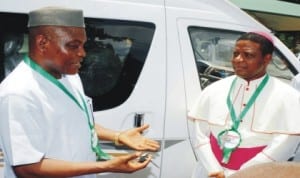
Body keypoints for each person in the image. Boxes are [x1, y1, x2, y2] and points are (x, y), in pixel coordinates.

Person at [0, 6, 159, 178]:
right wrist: (105, 166)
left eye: (83, 45)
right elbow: (28, 169)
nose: (82, 53)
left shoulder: (69, 75)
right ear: (42, 43)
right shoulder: (18, 93)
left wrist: (118, 136)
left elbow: (75, 121)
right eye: (73, 46)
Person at [188, 31, 300, 178]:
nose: (238, 60)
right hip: (210, 171)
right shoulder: (214, 90)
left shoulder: (287, 96)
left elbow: (285, 143)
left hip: (259, 173)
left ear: (267, 59)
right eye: (235, 54)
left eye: (248, 55)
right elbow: (199, 133)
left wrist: (244, 173)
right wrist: (213, 168)